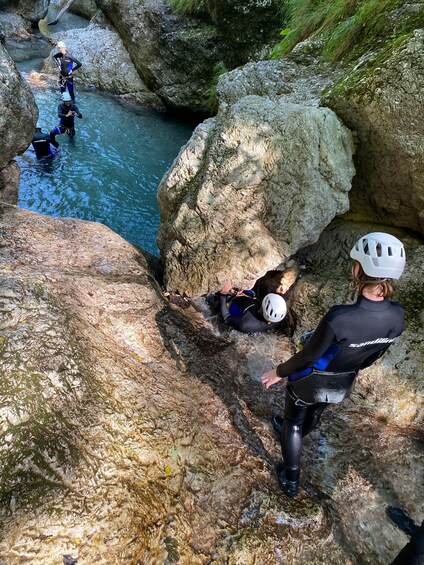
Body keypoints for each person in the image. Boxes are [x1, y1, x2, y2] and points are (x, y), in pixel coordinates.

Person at [261, 232, 406, 498]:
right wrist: (358, 363)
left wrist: (278, 372)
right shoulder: (398, 316)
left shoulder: (341, 316)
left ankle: (290, 478)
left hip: (312, 380)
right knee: (315, 413)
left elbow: (308, 357)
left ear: (359, 270)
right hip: (343, 382)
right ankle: (292, 435)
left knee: (293, 421)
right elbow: (377, 353)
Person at [217, 280, 287, 333]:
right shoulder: (278, 318)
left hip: (233, 306)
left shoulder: (246, 324)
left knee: (213, 298)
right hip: (248, 301)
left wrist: (222, 295)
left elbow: (226, 318)